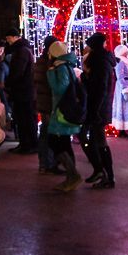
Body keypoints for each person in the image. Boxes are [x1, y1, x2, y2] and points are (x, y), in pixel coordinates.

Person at [79, 33, 117, 189]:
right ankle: (101, 170)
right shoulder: (101, 60)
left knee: (97, 140)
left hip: (97, 107)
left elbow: (100, 88)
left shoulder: (100, 62)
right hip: (97, 106)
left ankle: (105, 174)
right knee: (93, 139)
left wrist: (95, 109)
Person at [46, 40, 83, 192]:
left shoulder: (60, 68)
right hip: (65, 109)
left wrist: (50, 73)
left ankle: (73, 175)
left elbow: (59, 88)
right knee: (64, 143)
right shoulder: (68, 66)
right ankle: (71, 176)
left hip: (61, 110)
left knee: (54, 141)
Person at [4, 28, 37, 154]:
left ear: (14, 37)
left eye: (8, 38)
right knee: (25, 118)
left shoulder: (21, 51)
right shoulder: (24, 49)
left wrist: (8, 83)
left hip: (23, 91)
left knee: (24, 119)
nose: (7, 41)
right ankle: (26, 144)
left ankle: (28, 145)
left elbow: (18, 71)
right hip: (24, 90)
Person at [35, 36, 63, 174]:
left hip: (42, 102)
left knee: (45, 133)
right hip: (50, 103)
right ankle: (49, 163)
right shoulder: (50, 63)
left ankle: (44, 164)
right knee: (50, 134)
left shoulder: (41, 61)